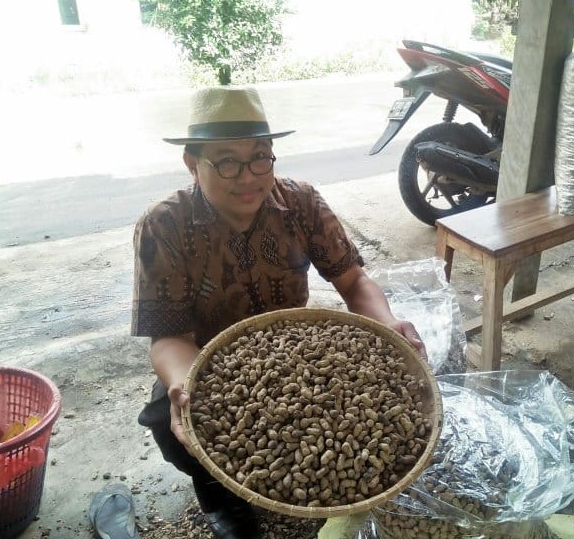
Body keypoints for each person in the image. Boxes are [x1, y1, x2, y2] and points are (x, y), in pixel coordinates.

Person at [132, 85, 425, 539]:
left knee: (365, 407)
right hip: (209, 359)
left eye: (261, 156)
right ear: (192, 163)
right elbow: (169, 336)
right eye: (227, 161)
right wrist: (185, 385)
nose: (248, 175)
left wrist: (386, 323)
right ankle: (222, 501)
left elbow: (353, 281)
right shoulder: (163, 225)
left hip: (300, 347)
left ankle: (328, 490)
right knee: (173, 421)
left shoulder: (301, 203)